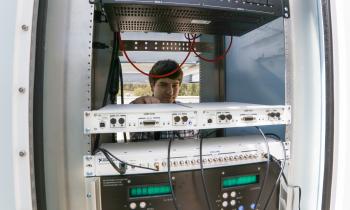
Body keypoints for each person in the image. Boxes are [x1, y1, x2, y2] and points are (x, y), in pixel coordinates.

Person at [130, 59, 198, 141]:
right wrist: (135, 105)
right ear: (152, 87)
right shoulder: (140, 108)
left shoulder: (190, 113)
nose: (170, 91)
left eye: (174, 85)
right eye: (163, 85)